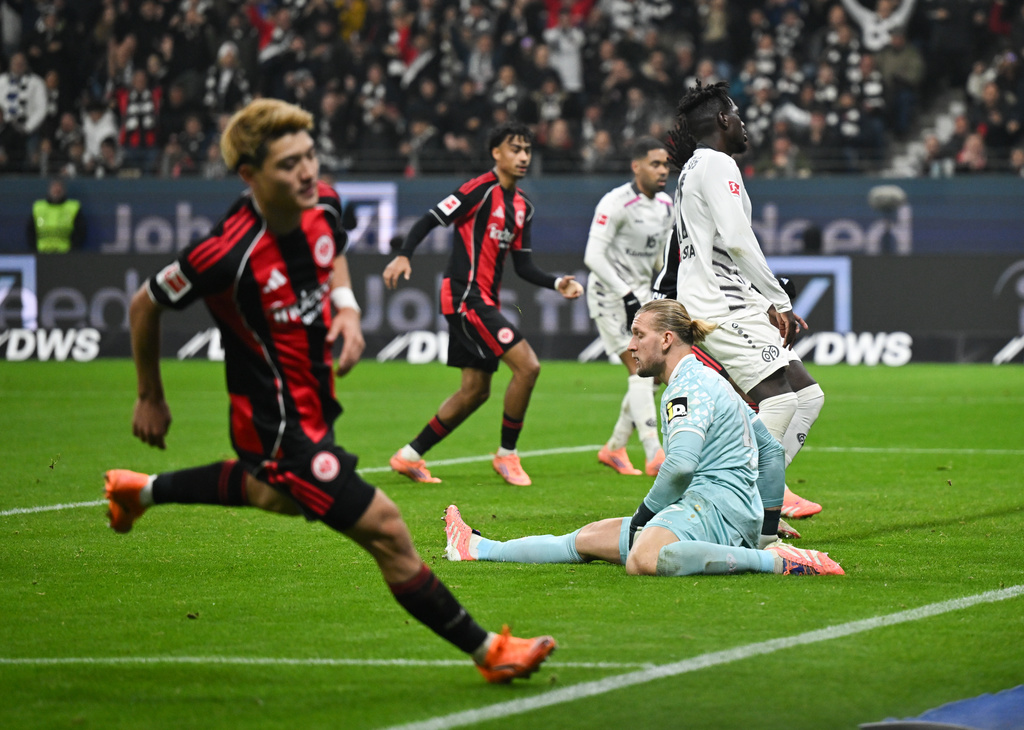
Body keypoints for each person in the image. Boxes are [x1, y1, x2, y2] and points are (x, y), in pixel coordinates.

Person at [103, 99, 555, 683]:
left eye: (311, 156)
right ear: (250, 176)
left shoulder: (323, 204)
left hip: (315, 405)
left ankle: (141, 492)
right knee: (389, 531)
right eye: (289, 164)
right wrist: (150, 396)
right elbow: (144, 305)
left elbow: (332, 245)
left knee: (275, 496)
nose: (307, 172)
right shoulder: (226, 253)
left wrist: (345, 308)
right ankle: (489, 651)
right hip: (279, 426)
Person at [442, 299, 844, 578]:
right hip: (727, 509)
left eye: (638, 334)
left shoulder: (686, 388)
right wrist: (766, 527)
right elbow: (771, 453)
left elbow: (681, 465)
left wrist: (645, 514)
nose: (631, 345)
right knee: (588, 538)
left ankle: (773, 563)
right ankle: (477, 548)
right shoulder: (709, 378)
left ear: (666, 339)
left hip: (712, 509)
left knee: (643, 558)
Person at [383, 121, 584, 486]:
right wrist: (404, 255)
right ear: (496, 153)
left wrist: (556, 282)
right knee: (528, 367)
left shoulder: (523, 207)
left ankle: (408, 456)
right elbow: (431, 218)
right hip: (464, 296)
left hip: (482, 300)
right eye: (514, 149)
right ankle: (507, 455)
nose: (522, 157)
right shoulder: (477, 190)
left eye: (527, 150)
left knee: (475, 391)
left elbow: (523, 265)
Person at [663, 81, 824, 521]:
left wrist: (763, 298)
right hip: (721, 306)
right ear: (721, 121)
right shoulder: (716, 164)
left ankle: (763, 491)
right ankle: (740, 507)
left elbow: (717, 247)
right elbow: (736, 239)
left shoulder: (694, 168)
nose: (744, 124)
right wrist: (778, 297)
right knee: (780, 402)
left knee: (808, 397)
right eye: (738, 115)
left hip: (732, 299)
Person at [583, 136, 673, 477]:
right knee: (639, 370)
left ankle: (615, 447)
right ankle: (654, 452)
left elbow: (658, 258)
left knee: (649, 375)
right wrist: (624, 292)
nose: (663, 170)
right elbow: (593, 256)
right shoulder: (615, 202)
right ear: (636, 167)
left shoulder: (666, 205)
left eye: (665, 164)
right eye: (655, 164)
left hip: (641, 296)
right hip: (610, 295)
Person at [27, 178, 85, 253]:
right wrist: (35, 251)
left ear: (64, 191)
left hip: (65, 252)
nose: (56, 191)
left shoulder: (73, 207)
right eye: (54, 188)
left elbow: (80, 232)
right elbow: (30, 231)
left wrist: (72, 251)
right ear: (49, 190)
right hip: (41, 252)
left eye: (59, 189)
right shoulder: (38, 207)